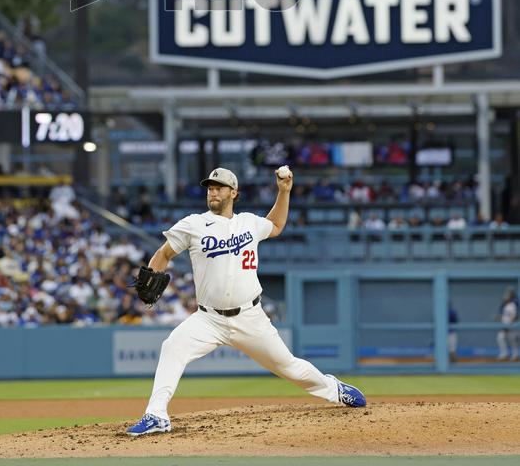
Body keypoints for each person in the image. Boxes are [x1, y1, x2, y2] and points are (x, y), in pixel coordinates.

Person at [126, 167, 366, 437]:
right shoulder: (193, 224)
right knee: (172, 348)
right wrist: (151, 273)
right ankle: (156, 415)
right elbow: (164, 252)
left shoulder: (249, 223)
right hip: (209, 319)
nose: (213, 191)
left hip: (250, 317)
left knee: (288, 366)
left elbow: (275, 225)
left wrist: (283, 192)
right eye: (210, 187)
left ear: (234, 192)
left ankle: (334, 389)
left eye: (219, 187)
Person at [496, 287, 519, 361]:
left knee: (513, 341)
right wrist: (499, 318)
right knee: (500, 338)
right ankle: (504, 354)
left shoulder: (513, 305)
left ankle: (515, 355)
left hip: (511, 326)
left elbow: (515, 317)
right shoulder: (504, 305)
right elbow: (502, 315)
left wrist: (509, 326)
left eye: (507, 296)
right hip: (504, 325)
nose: (505, 297)